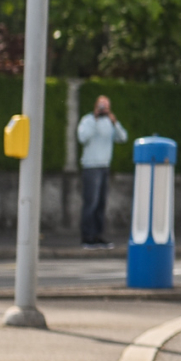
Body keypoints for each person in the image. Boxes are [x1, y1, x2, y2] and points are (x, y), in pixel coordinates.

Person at [75, 94, 129, 249]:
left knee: (100, 204)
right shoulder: (87, 120)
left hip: (105, 166)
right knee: (90, 203)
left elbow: (123, 138)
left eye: (106, 105)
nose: (104, 108)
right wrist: (95, 120)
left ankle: (98, 236)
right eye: (101, 105)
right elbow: (82, 138)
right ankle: (87, 238)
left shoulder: (110, 123)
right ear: (96, 106)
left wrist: (115, 122)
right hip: (91, 167)